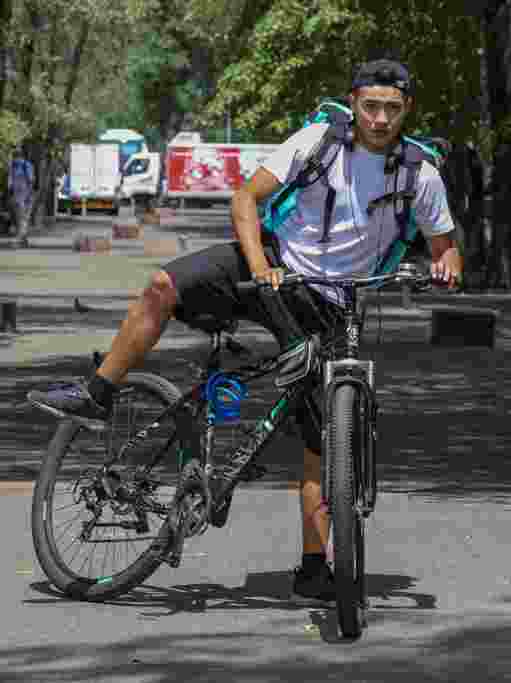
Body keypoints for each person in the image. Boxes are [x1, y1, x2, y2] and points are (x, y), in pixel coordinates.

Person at [27, 59, 462, 603]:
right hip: (273, 264)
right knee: (162, 286)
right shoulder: (318, 141)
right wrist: (259, 267)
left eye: (391, 109)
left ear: (407, 111)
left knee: (323, 436)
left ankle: (313, 567)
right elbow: (244, 198)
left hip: (332, 300)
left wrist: (447, 267)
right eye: (370, 106)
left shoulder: (419, 172)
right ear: (354, 102)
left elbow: (446, 247)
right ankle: (98, 392)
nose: (379, 118)